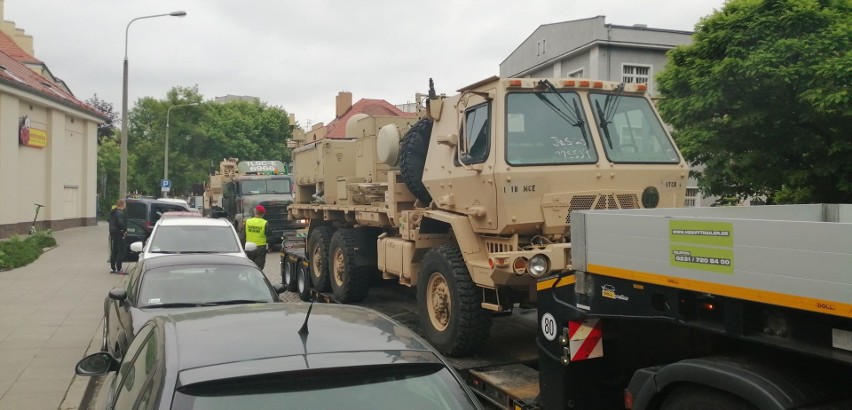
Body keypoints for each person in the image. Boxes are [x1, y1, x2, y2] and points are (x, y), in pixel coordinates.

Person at [244, 205, 269, 270]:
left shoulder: (247, 221)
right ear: (263, 214)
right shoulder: (265, 223)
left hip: (249, 247)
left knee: (250, 265)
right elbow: (269, 236)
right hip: (260, 248)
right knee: (259, 267)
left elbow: (242, 235)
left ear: (255, 212)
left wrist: (242, 246)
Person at [108, 199, 128, 274]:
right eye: (125, 204)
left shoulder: (112, 212)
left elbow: (108, 220)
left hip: (113, 233)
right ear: (122, 205)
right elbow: (121, 223)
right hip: (119, 233)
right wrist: (125, 230)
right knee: (121, 251)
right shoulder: (119, 213)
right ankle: (119, 269)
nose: (125, 205)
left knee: (114, 251)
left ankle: (113, 268)